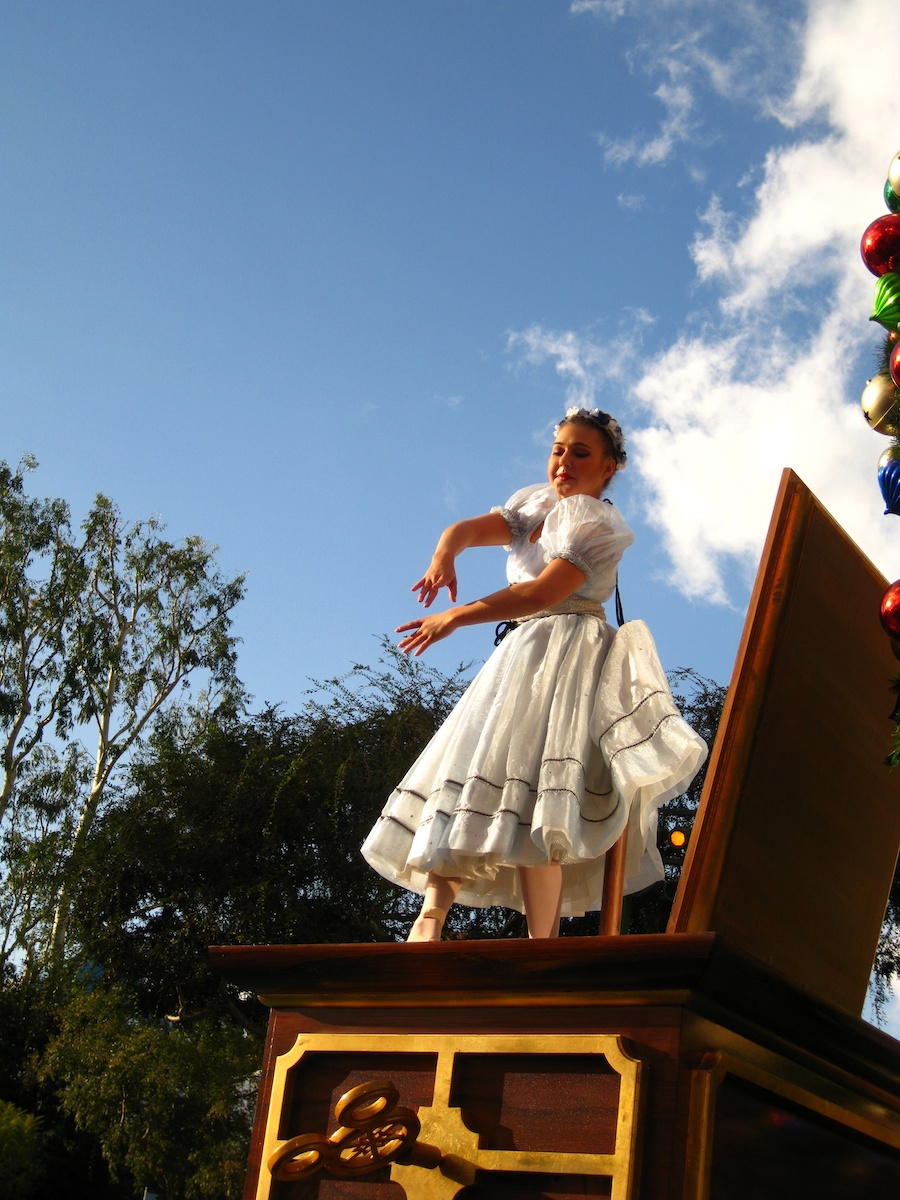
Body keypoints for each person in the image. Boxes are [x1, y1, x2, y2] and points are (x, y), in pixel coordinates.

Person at [361, 407, 707, 941]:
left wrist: (456, 615)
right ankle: (431, 916)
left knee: (540, 787)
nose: (564, 461)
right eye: (559, 450)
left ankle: (541, 941)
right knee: (479, 764)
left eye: (581, 453)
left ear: (609, 466)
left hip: (568, 652)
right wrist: (444, 553)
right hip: (523, 649)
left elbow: (542, 592)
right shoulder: (536, 506)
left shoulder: (596, 523)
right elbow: (466, 529)